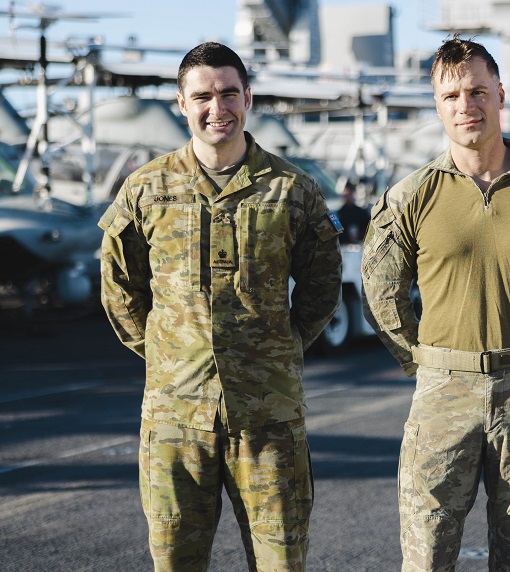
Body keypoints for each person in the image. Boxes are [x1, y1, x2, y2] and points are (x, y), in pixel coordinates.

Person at [361, 36, 510, 571]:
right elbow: (381, 294)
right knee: (426, 555)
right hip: (441, 394)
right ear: (437, 106)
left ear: (501, 93)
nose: (465, 105)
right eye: (451, 96)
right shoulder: (412, 195)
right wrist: (426, 363)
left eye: (477, 91)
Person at [97, 42, 342, 571]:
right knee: (175, 562)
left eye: (229, 93)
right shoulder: (146, 189)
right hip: (175, 422)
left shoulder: (292, 190)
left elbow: (323, 286)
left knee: (282, 562)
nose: (218, 108)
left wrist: (281, 348)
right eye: (203, 96)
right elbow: (119, 286)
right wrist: (168, 356)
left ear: (248, 97)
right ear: (181, 104)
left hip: (268, 418)